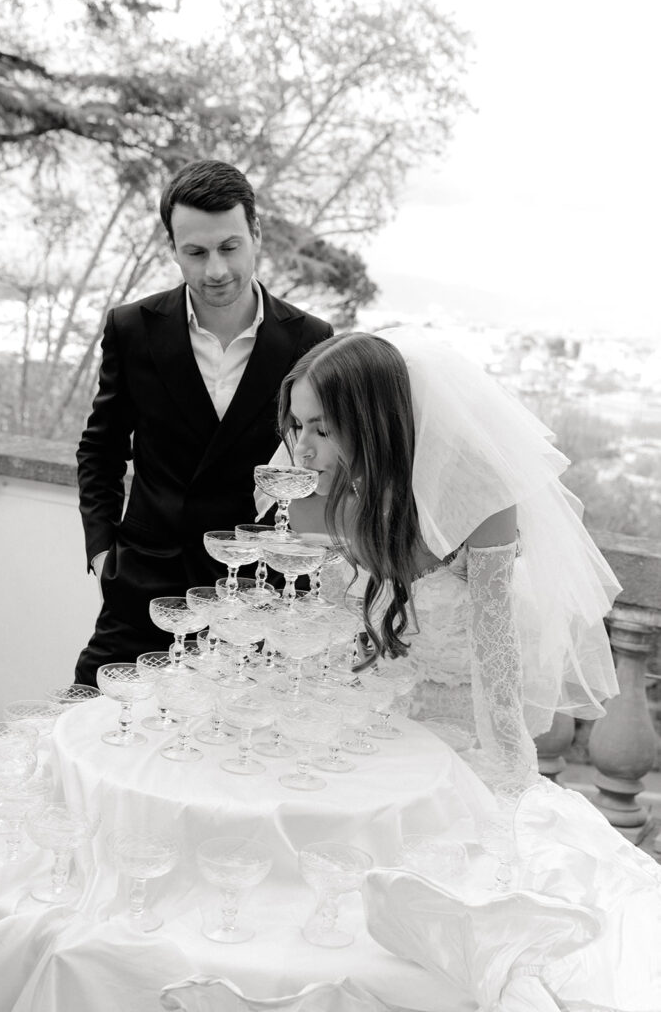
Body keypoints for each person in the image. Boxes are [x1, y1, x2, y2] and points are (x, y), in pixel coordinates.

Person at [268, 328, 661, 1009]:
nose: (300, 448)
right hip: (364, 737)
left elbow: (497, 660)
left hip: (458, 748)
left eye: (321, 429)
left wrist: (504, 792)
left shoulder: (479, 496)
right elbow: (322, 641)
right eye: (296, 426)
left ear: (371, 420)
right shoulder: (315, 490)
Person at [75, 159, 332, 686]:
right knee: (88, 717)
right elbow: (100, 451)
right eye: (195, 252)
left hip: (257, 595)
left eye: (229, 247)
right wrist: (104, 555)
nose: (215, 269)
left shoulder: (310, 338)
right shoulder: (132, 328)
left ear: (255, 233)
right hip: (145, 589)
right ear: (173, 248)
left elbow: (319, 461)